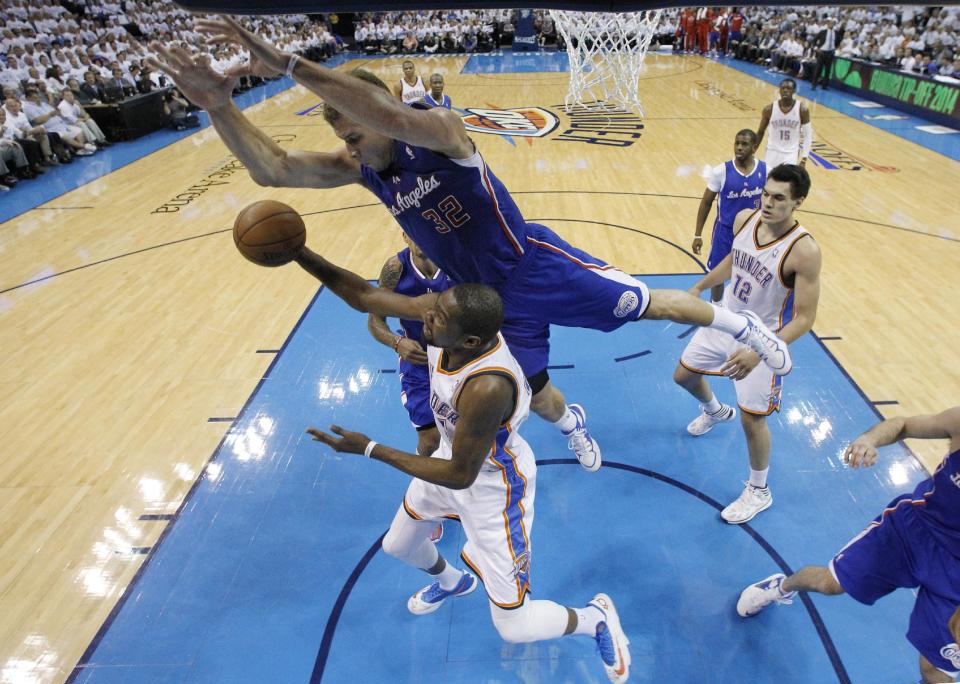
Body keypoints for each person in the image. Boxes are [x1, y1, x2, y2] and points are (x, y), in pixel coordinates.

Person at [146, 17, 793, 476]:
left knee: (647, 304)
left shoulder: (440, 132)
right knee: (535, 392)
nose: (345, 134)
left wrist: (289, 64)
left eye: (349, 118)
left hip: (531, 265)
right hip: (478, 301)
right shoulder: (363, 167)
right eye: (337, 126)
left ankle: (748, 329)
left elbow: (393, 119)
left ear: (376, 105)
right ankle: (575, 426)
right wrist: (218, 107)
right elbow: (275, 171)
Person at [299, 249, 633, 684]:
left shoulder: (488, 385)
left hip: (494, 486)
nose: (425, 320)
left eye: (435, 320)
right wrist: (296, 253)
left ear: (469, 342)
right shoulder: (448, 324)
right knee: (399, 545)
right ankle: (454, 582)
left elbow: (462, 476)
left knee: (514, 627)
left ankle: (595, 619)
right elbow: (363, 295)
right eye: (431, 311)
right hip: (451, 460)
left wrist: (370, 448)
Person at [737, 406, 960, 684]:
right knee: (828, 583)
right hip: (910, 532)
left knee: (936, 670)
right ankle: (781, 587)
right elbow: (903, 423)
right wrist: (869, 440)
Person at [674, 164, 821, 524]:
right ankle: (713, 410)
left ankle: (759, 490)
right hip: (725, 319)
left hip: (762, 337)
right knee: (683, 376)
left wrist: (760, 351)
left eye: (779, 198)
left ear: (798, 202)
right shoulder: (745, 218)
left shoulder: (804, 252)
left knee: (753, 421)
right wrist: (699, 286)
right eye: (766, 193)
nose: (768, 202)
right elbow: (733, 261)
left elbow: (804, 318)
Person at [367, 233, 452, 457]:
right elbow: (375, 320)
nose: (419, 238)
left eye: (421, 230)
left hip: (460, 358)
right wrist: (397, 342)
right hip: (419, 360)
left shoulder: (457, 261)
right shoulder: (395, 270)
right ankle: (422, 485)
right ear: (405, 236)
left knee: (467, 432)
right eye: (411, 233)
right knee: (429, 441)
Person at [692, 129, 766, 303]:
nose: (739, 147)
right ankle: (716, 305)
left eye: (744, 144)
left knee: (752, 275)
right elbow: (706, 203)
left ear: (754, 148)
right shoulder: (721, 171)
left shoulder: (766, 170)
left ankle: (743, 307)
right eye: (737, 143)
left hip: (752, 234)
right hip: (724, 233)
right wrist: (697, 234)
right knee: (716, 274)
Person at [756, 78, 812, 169]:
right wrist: (753, 151)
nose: (785, 90)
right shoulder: (769, 109)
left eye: (788, 88)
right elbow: (760, 132)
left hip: (790, 154)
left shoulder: (802, 110)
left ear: (794, 91)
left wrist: (804, 159)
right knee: (768, 179)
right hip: (772, 151)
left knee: (786, 181)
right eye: (783, 88)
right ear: (779, 90)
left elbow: (807, 135)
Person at [811, 18, 839, 90]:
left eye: (833, 23)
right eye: (830, 23)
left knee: (827, 71)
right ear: (827, 24)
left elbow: (838, 41)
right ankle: (814, 85)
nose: (831, 24)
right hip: (822, 52)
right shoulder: (823, 32)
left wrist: (835, 48)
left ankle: (824, 86)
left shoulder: (836, 33)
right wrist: (816, 49)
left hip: (830, 53)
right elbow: (814, 41)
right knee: (818, 70)